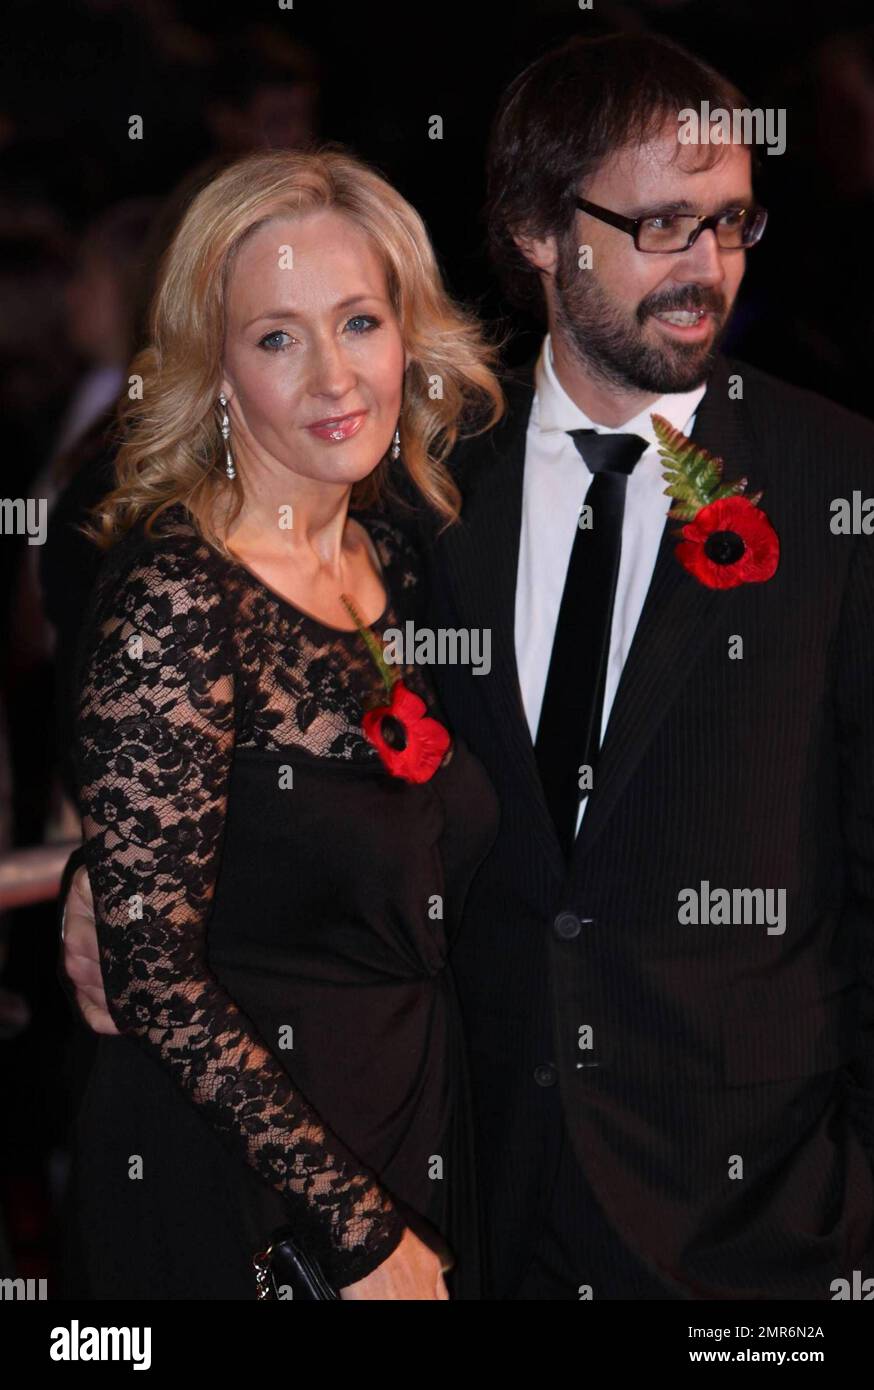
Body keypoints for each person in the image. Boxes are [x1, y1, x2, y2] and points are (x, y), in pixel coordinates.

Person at [62, 32, 874, 1302]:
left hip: (754, 1226)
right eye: (660, 223)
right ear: (539, 232)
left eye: (730, 222)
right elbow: (242, 720)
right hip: (475, 1195)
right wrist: (108, 877)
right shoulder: (428, 488)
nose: (706, 267)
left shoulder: (839, 484)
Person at [59, 145, 502, 1300]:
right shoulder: (178, 600)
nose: (331, 378)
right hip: (246, 1193)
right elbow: (151, 976)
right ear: (213, 369)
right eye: (275, 337)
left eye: (358, 321)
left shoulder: (397, 555)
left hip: (407, 1124)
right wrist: (358, 1228)